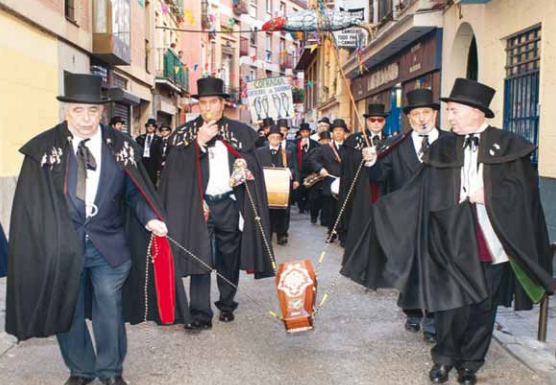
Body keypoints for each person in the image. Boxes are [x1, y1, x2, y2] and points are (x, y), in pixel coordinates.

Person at [345, 78, 555, 385]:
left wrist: (490, 195)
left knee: (484, 306)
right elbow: (419, 190)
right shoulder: (442, 146)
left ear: (474, 111)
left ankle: (470, 363)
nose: (450, 117)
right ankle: (443, 360)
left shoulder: (509, 145)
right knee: (449, 304)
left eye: (454, 110)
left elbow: (526, 196)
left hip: (491, 242)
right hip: (449, 240)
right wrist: (384, 216)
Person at [5, 73, 190, 385]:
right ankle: (81, 369)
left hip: (110, 245)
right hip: (63, 247)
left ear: (102, 112)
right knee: (69, 309)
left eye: (93, 111)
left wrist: (150, 218)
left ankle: (109, 371)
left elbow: (136, 192)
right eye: (78, 110)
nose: (86, 118)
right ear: (66, 112)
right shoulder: (44, 150)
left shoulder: (122, 147)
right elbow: (31, 205)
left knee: (109, 307)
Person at [158, 77, 274, 332]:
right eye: (203, 103)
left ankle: (226, 302)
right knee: (199, 253)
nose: (208, 108)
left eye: (213, 102)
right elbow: (174, 171)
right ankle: (199, 312)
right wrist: (198, 143)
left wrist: (246, 173)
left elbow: (254, 165)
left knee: (228, 255)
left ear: (223, 104)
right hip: (198, 205)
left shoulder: (241, 132)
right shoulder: (184, 134)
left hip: (228, 204)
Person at [343, 89, 448, 344]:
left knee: (436, 266)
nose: (422, 118)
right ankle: (412, 311)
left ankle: (433, 319)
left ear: (435, 114)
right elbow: (380, 177)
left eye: (426, 112)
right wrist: (372, 162)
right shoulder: (397, 144)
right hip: (405, 217)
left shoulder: (450, 143)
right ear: (408, 118)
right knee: (411, 266)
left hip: (441, 217)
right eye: (416, 114)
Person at [256, 125, 300, 245]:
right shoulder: (259, 152)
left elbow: (294, 167)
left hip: (282, 187)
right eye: (272, 137)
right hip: (266, 186)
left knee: (283, 211)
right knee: (267, 212)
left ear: (281, 139)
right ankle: (267, 235)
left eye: (277, 137)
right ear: (268, 138)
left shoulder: (287, 153)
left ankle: (282, 234)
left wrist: (293, 175)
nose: (275, 139)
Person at [310, 118, 348, 243]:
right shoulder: (325, 148)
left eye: (341, 130)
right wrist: (320, 169)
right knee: (331, 210)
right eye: (336, 130)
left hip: (346, 183)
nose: (338, 133)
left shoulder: (350, 147)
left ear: (344, 133)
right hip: (329, 183)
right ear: (332, 133)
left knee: (344, 210)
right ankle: (331, 232)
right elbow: (313, 160)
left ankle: (343, 235)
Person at [295, 123, 319, 216]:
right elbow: (294, 155)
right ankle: (301, 207)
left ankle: (307, 206)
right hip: (299, 170)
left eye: (306, 132)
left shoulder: (314, 143)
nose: (305, 134)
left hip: (310, 170)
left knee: (310, 190)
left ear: (309, 133)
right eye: (303, 132)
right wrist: (301, 147)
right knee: (299, 191)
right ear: (300, 133)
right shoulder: (295, 143)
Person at [135, 119, 162, 186]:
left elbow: (159, 154)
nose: (150, 127)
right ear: (146, 127)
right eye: (148, 126)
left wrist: (158, 167)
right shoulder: (140, 138)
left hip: (153, 163)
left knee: (152, 181)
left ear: (155, 128)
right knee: (142, 179)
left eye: (152, 126)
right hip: (143, 161)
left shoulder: (159, 139)